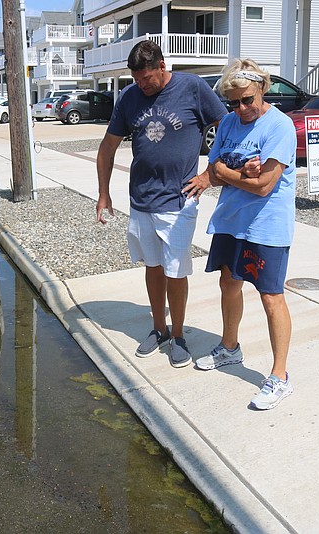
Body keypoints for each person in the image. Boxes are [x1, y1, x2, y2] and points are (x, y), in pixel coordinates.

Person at [96, 40, 226, 368]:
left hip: (178, 201)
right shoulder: (129, 98)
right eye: (137, 80)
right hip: (141, 200)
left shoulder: (193, 88)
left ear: (162, 65)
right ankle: (159, 329)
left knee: (176, 270)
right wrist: (103, 193)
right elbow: (107, 147)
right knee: (152, 267)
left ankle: (179, 335)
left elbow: (226, 127)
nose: (142, 85)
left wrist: (210, 174)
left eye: (147, 79)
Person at [182, 58, 297, 410]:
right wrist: (232, 172)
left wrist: (228, 172)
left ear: (262, 89)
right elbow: (211, 171)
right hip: (231, 221)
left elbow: (263, 186)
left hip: (266, 226)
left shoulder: (280, 126)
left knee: (270, 296)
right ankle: (229, 347)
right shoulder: (229, 123)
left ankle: (280, 377)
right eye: (233, 102)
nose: (241, 108)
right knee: (228, 283)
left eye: (247, 99)